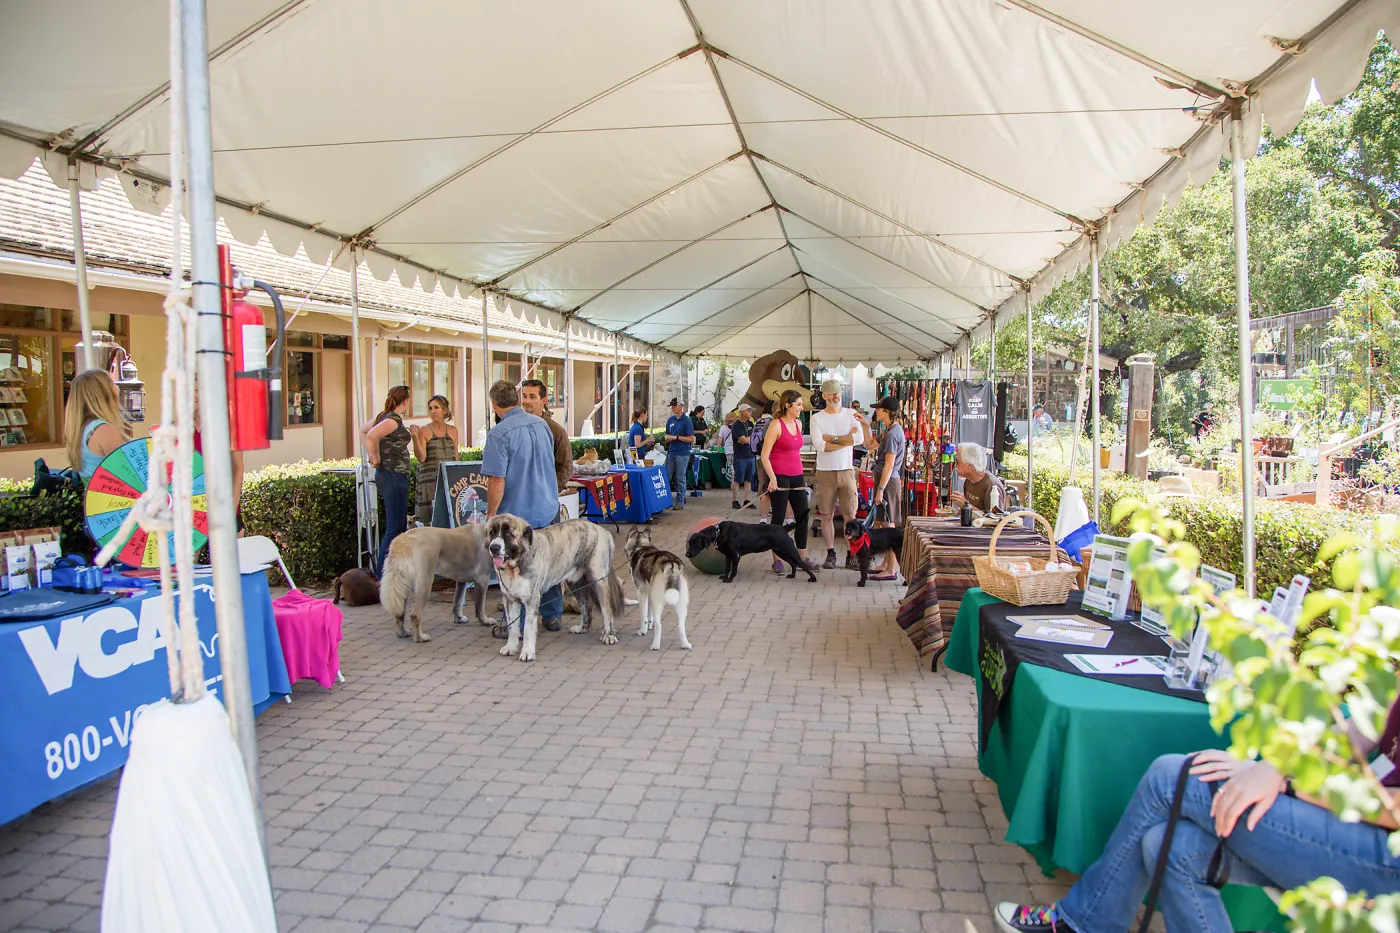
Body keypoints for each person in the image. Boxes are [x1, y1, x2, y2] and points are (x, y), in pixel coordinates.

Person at [994, 705, 1400, 933]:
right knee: (1170, 847)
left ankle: (1084, 924)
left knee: (1173, 776)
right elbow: (1363, 728)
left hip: (1383, 856)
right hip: (1349, 822)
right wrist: (1277, 766)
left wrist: (1289, 784)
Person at [482, 380, 564, 634]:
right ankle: (552, 616)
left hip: (517, 517)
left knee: (512, 569)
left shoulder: (498, 434)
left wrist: (491, 515)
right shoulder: (543, 425)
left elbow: (497, 479)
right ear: (517, 399)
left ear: (494, 405)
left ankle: (513, 624)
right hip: (548, 507)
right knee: (550, 563)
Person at [810, 379, 869, 570]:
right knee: (826, 515)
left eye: (838, 393)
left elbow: (859, 438)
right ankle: (830, 553)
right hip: (825, 473)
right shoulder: (816, 418)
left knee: (850, 515)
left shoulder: (851, 413)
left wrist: (831, 438)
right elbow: (819, 445)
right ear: (825, 396)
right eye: (833, 393)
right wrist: (845, 440)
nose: (837, 396)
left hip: (846, 471)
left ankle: (852, 554)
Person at [760, 389, 820, 576]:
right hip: (780, 475)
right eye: (799, 405)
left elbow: (795, 450)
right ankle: (777, 560)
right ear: (788, 405)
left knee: (803, 516)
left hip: (797, 475)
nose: (801, 408)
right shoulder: (776, 425)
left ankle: (802, 557)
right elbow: (764, 455)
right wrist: (773, 478)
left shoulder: (799, 424)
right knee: (778, 519)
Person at [363, 386, 413, 574]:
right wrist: (375, 458)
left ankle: (390, 572)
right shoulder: (392, 420)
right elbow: (370, 435)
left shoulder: (383, 417)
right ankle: (380, 574)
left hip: (393, 475)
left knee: (398, 525)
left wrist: (374, 453)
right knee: (394, 527)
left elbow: (364, 430)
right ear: (406, 401)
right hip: (393, 475)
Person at [64, 369, 131, 481]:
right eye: (113, 384)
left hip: (93, 497)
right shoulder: (104, 431)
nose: (117, 388)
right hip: (113, 497)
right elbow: (128, 476)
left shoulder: (82, 429)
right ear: (105, 393)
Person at [868, 396, 905, 581]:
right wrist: (864, 425)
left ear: (887, 412)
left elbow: (889, 465)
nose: (876, 411)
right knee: (884, 522)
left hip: (888, 482)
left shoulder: (892, 434)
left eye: (879, 409)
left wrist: (880, 489)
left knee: (889, 525)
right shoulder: (890, 430)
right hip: (886, 480)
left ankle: (891, 568)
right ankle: (886, 564)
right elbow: (869, 445)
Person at [410, 394, 459, 525]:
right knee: (429, 522)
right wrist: (414, 436)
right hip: (429, 481)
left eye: (436, 407)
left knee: (449, 518)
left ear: (445, 410)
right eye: (430, 408)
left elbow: (456, 457)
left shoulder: (453, 431)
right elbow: (421, 457)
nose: (433, 411)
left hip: (447, 479)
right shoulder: (425, 430)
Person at [520, 379, 571, 493]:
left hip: (544, 496)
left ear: (543, 400)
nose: (527, 401)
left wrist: (549, 491)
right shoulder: (514, 427)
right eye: (524, 396)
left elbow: (565, 467)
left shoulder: (556, 431)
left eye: (532, 397)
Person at [949, 442, 1005, 513]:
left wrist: (965, 505)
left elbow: (996, 519)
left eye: (957, 462)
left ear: (969, 466)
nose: (955, 465)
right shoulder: (968, 481)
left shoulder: (991, 485)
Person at [664, 397, 695, 510]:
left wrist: (677, 437)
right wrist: (668, 438)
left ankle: (680, 501)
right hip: (671, 451)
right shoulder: (670, 420)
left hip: (682, 452)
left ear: (681, 406)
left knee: (680, 477)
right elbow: (667, 434)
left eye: (674, 406)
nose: (673, 408)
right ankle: (666, 501)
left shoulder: (687, 421)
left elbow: (691, 438)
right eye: (672, 406)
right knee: (667, 476)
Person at [728, 405, 757, 511]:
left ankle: (746, 499)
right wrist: (747, 439)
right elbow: (743, 440)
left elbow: (753, 438)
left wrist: (747, 439)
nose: (751, 413)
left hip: (750, 454)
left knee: (749, 479)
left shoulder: (750, 424)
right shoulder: (736, 425)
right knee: (738, 479)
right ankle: (735, 500)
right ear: (742, 412)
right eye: (749, 411)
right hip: (740, 456)